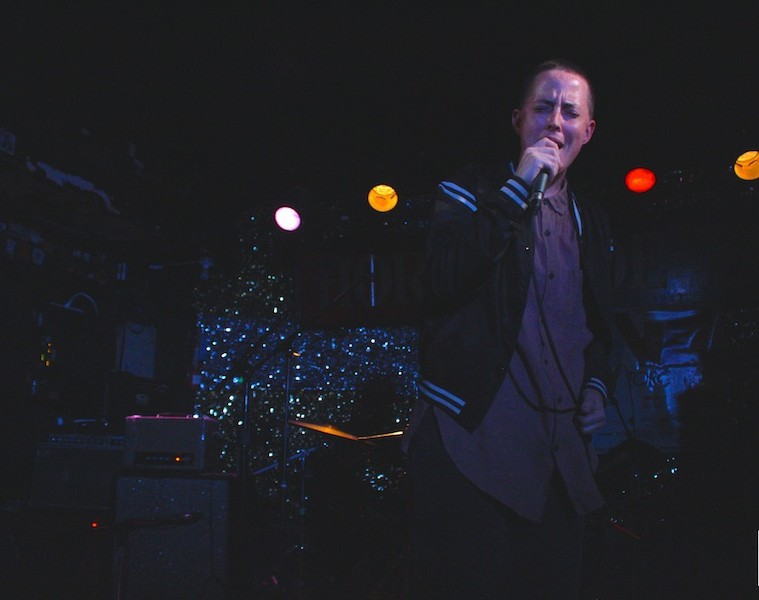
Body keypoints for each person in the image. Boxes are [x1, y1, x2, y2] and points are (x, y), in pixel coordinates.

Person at [403, 58, 616, 599]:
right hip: (474, 444)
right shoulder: (470, 190)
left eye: (570, 112)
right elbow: (440, 281)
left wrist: (596, 384)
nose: (555, 121)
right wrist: (515, 191)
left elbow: (601, 323)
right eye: (543, 108)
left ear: (588, 131)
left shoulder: (591, 220)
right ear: (519, 119)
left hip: (558, 456)